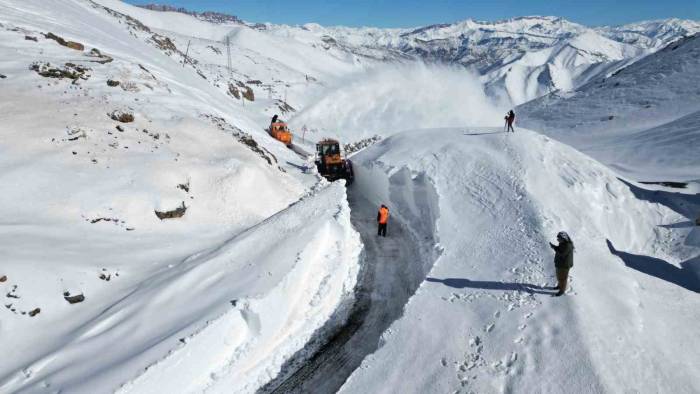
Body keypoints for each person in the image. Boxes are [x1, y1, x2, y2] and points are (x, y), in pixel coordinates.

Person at [549, 231, 574, 296]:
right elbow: (560, 250)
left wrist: (554, 248)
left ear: (564, 238)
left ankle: (562, 290)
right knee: (559, 277)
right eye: (558, 238)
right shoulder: (563, 243)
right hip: (560, 264)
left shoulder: (567, 245)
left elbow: (562, 253)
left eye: (559, 238)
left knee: (563, 278)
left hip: (564, 265)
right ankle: (559, 286)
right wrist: (554, 246)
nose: (558, 240)